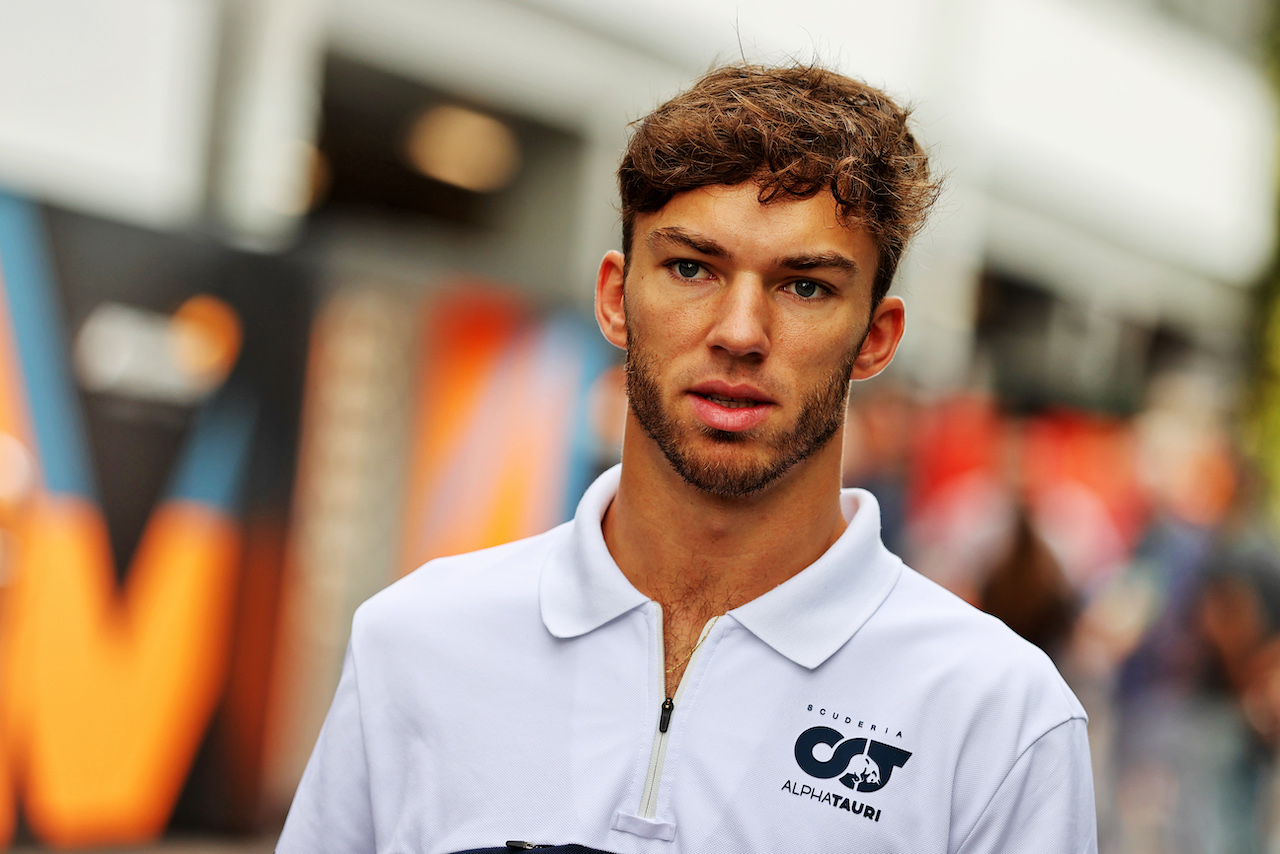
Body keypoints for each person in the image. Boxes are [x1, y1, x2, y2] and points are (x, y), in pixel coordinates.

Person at [277, 63, 1097, 853]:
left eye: (804, 284)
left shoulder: (999, 715)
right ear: (615, 299)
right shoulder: (417, 640)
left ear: (875, 339)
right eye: (692, 268)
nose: (740, 332)